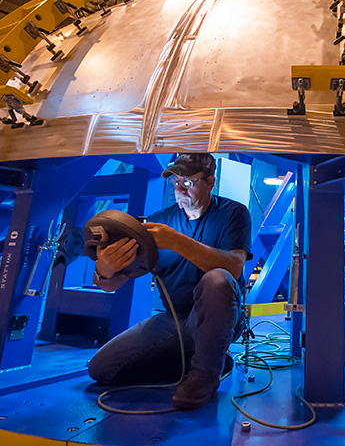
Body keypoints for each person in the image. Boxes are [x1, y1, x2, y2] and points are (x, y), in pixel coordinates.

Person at [87, 153, 251, 409]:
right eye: (175, 181)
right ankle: (199, 359)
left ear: (210, 182)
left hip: (217, 319)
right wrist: (105, 269)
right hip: (173, 319)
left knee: (217, 280)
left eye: (188, 182)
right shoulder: (159, 221)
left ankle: (205, 374)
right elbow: (113, 284)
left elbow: (234, 267)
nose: (178, 189)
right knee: (102, 368)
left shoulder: (232, 213)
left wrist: (176, 241)